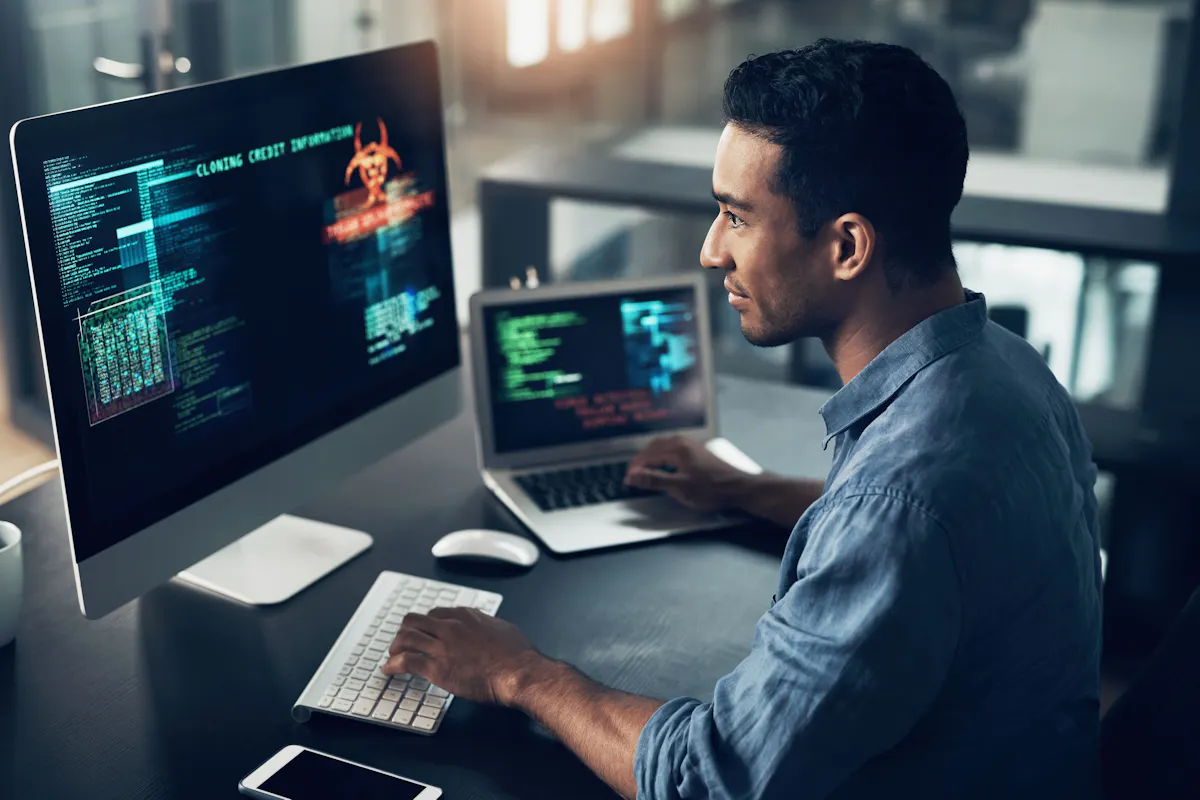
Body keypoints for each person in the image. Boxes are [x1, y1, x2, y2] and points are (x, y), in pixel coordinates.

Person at [384, 39, 1102, 799]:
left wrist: (515, 672)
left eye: (736, 217)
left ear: (848, 246)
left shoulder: (897, 511)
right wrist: (745, 489)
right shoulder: (1004, 367)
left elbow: (714, 781)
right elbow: (926, 541)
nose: (710, 250)